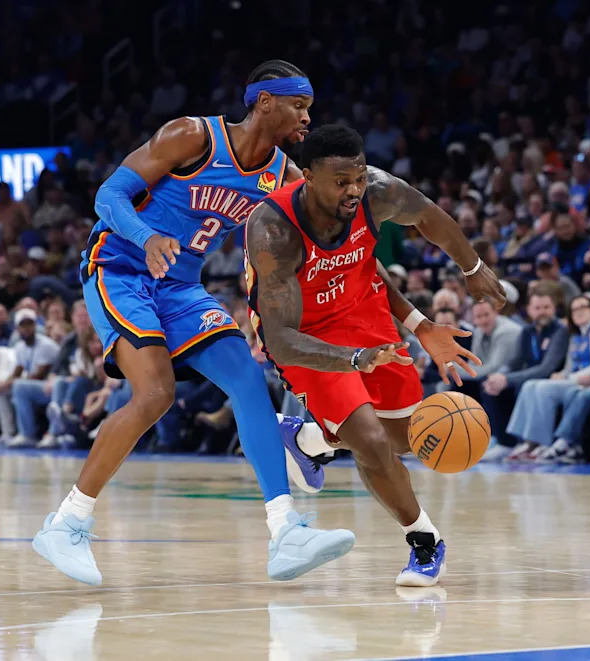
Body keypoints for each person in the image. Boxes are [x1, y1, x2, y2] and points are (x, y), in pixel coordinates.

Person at [33, 61, 355, 587]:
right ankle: (66, 523)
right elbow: (108, 196)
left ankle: (286, 532)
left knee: (247, 378)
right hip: (121, 268)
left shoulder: (283, 175)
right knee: (154, 394)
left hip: (181, 287)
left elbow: (328, 228)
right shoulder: (193, 136)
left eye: (309, 108)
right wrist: (146, 238)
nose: (307, 117)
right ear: (265, 102)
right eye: (299, 105)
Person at [245, 124, 503, 586]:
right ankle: (425, 541)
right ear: (308, 177)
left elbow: (425, 219)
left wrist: (469, 271)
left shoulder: (376, 193)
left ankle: (309, 441)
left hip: (366, 313)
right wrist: (354, 358)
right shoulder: (273, 230)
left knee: (405, 439)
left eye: (359, 178)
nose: (354, 190)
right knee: (370, 441)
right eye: (341, 181)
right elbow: (280, 338)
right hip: (305, 334)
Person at [504, 295, 590, 462]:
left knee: (541, 388)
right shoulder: (575, 335)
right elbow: (569, 365)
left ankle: (542, 442)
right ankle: (526, 441)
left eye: (583, 307)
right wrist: (563, 374)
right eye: (575, 309)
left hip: (586, 380)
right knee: (529, 385)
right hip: (573, 378)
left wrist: (569, 377)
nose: (579, 312)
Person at [0, 308, 60, 447]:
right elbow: (18, 371)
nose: (27, 328)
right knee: (1, 391)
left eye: (30, 324)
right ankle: (8, 433)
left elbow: (40, 374)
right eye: (23, 325)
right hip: (35, 386)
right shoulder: (19, 347)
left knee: (19, 386)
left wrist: (14, 382)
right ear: (17, 328)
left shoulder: (46, 345)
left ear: (35, 326)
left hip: (50, 386)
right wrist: (4, 384)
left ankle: (27, 434)